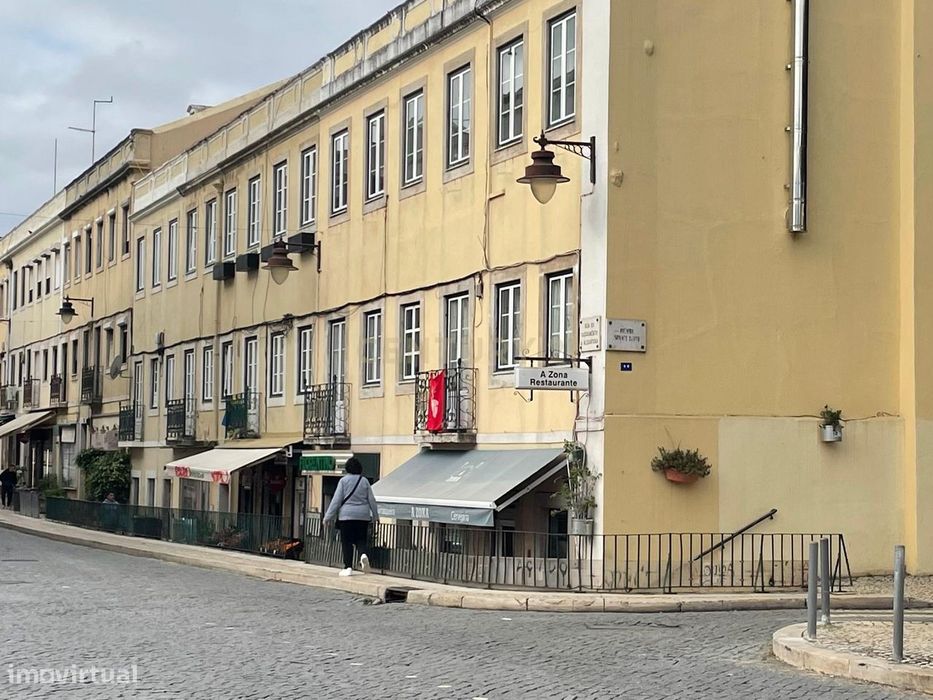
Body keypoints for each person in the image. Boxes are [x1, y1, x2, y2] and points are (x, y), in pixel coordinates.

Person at [322, 458, 379, 576]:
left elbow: (336, 500)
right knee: (361, 539)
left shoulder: (343, 481)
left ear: (347, 468)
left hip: (346, 516)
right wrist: (375, 516)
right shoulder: (364, 481)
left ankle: (348, 567)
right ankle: (363, 555)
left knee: (346, 542)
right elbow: (371, 500)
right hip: (363, 516)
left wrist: (327, 517)